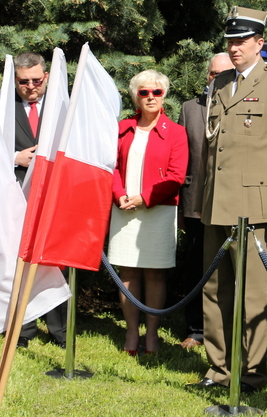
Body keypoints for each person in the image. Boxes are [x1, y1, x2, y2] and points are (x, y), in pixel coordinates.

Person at [192, 6, 267, 393]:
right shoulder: (221, 82)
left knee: (255, 293)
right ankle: (219, 368)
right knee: (214, 288)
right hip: (217, 202)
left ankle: (252, 372)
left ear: (260, 43)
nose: (234, 48)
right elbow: (212, 147)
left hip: (255, 205)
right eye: (230, 41)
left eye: (241, 41)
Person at [107, 70, 188, 356]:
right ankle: (131, 332)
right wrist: (119, 196)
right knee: (127, 271)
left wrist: (144, 198)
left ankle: (152, 333)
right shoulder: (121, 128)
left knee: (155, 274)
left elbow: (177, 177)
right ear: (135, 96)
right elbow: (112, 166)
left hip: (158, 210)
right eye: (144, 92)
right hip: (124, 208)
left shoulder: (176, 132)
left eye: (156, 92)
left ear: (164, 95)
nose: (151, 97)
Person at [177, 53, 234, 349]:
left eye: (224, 73)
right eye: (213, 73)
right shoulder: (189, 109)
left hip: (231, 204)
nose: (217, 78)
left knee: (229, 271)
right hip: (195, 205)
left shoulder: (241, 106)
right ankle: (196, 329)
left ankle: (227, 330)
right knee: (197, 269)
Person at [13, 52, 67, 349]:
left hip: (54, 194)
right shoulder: (2, 107)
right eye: (24, 82)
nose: (31, 86)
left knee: (54, 260)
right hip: (16, 194)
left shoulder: (63, 106)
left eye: (36, 80)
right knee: (20, 260)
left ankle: (61, 332)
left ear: (46, 76)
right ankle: (23, 329)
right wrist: (15, 157)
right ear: (15, 80)